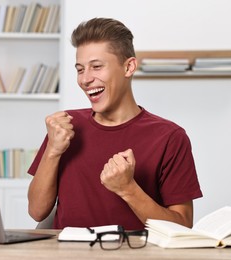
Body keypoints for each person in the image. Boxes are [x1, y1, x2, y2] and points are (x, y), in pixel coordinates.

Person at [27, 17, 202, 230]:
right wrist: (53, 151)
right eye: (80, 69)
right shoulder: (64, 127)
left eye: (97, 67)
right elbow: (36, 211)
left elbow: (182, 226)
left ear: (128, 67)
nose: (85, 79)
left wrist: (128, 189)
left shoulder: (169, 137)